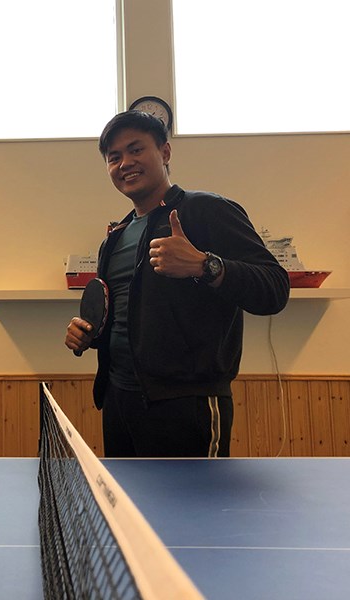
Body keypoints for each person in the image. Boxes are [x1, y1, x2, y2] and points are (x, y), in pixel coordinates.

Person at [65, 111, 290, 458]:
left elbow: (275, 289)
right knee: (126, 512)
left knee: (194, 512)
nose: (126, 162)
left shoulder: (207, 210)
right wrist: (91, 335)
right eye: (114, 157)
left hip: (188, 406)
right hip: (118, 399)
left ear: (166, 153)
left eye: (136, 149)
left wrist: (205, 265)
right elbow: (133, 315)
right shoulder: (116, 237)